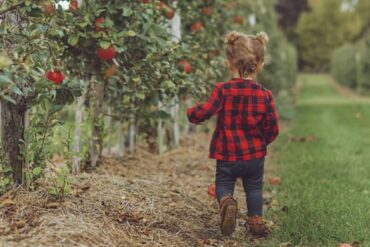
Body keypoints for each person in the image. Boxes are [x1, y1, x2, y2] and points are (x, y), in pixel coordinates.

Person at [186, 31, 279, 237]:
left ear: (229, 62)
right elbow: (273, 127)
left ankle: (227, 202)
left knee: (223, 184)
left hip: (227, 153)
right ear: (260, 64)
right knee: (254, 188)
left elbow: (206, 111)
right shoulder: (265, 94)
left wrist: (191, 114)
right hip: (254, 155)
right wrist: (261, 142)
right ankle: (256, 222)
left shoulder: (222, 90)